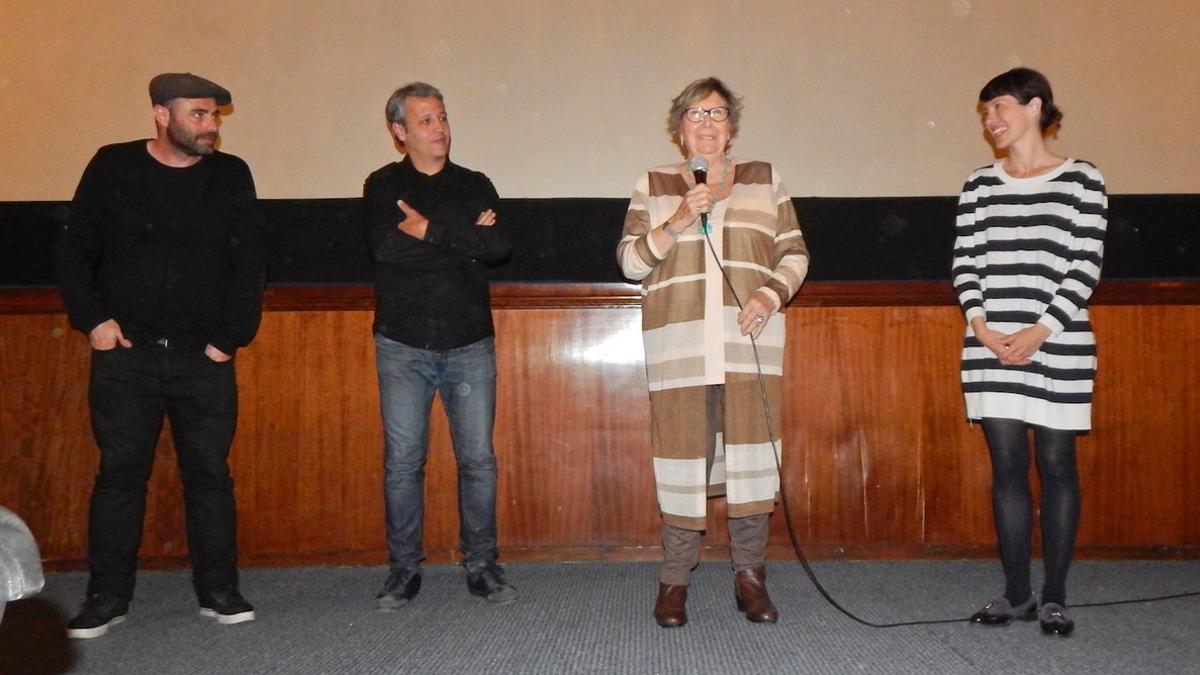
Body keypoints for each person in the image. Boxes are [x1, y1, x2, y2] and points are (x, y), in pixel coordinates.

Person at [56, 73, 264, 639]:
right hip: (128, 358)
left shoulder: (230, 175)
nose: (211, 126)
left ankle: (218, 589)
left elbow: (249, 266)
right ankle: (107, 597)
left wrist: (228, 340)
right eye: (198, 115)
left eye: (215, 116)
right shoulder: (113, 166)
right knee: (120, 477)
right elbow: (75, 252)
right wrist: (93, 321)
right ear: (160, 115)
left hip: (204, 360)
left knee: (210, 477)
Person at [617, 77, 810, 627]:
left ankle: (750, 577)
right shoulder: (652, 184)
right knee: (682, 461)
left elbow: (794, 251)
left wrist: (771, 292)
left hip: (749, 344)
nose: (706, 123)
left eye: (717, 113)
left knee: (752, 463)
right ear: (680, 131)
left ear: (731, 127)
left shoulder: (764, 179)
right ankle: (674, 582)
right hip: (680, 349)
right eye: (695, 115)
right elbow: (630, 263)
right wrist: (678, 218)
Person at [953, 67, 1107, 637]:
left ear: (1035, 106)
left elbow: (1084, 263)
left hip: (1059, 344)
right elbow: (965, 263)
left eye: (999, 108)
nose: (991, 121)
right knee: (1008, 469)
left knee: (1058, 466)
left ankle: (1055, 596)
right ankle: (1017, 593)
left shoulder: (1082, 180)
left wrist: (1041, 329)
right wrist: (983, 327)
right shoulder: (979, 185)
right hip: (989, 344)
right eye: (985, 112)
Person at [363, 82, 515, 610]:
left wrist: (425, 230)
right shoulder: (382, 186)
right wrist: (460, 240)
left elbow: (497, 247)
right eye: (426, 120)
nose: (440, 128)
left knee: (478, 460)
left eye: (443, 117)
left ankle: (482, 565)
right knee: (404, 462)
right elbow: (385, 249)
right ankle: (403, 570)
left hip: (469, 343)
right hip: (402, 346)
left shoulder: (475, 183)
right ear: (400, 132)